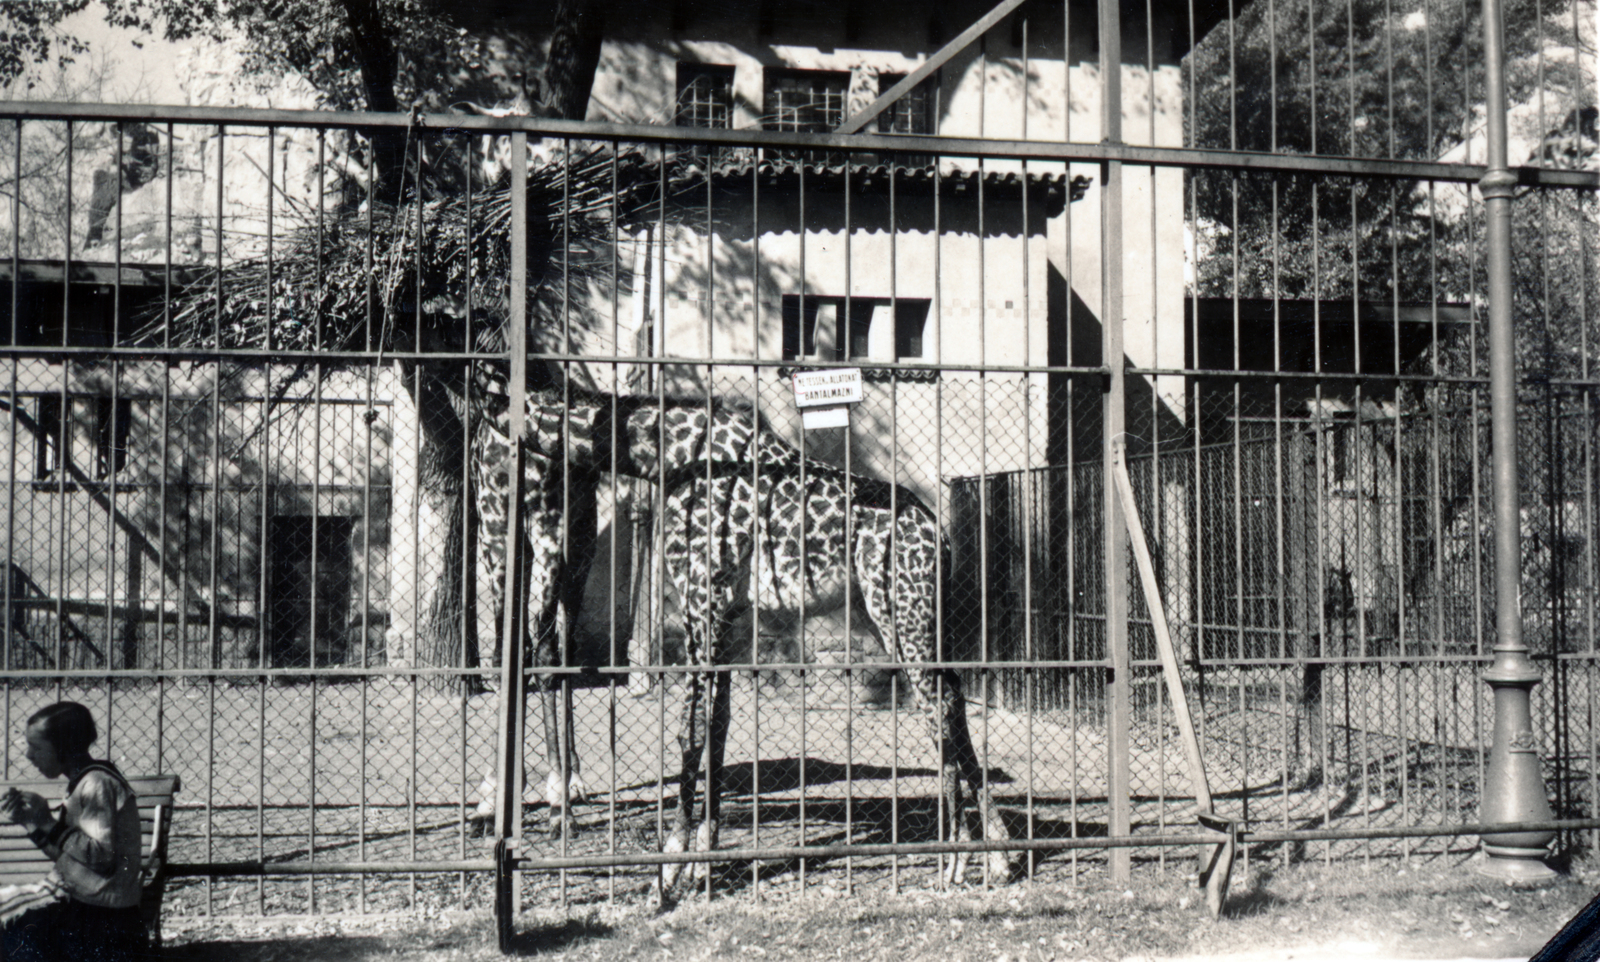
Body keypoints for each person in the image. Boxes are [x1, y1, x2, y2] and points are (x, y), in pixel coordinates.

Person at [0, 702, 145, 961]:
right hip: (84, 906)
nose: (28, 756)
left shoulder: (97, 785)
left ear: (63, 748)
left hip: (102, 919)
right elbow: (68, 856)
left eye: (36, 747)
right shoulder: (82, 782)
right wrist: (30, 822)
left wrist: (47, 821)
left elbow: (101, 858)